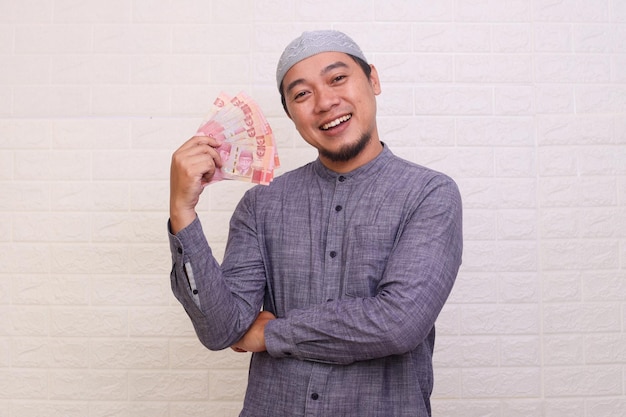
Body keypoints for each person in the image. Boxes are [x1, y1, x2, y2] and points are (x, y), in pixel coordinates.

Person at [168, 30, 463, 417]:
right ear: (291, 114)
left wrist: (271, 334)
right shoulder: (261, 203)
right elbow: (222, 329)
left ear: (373, 80)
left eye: (337, 78)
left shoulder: (430, 194)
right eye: (302, 94)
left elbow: (399, 322)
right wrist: (183, 213)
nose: (325, 102)